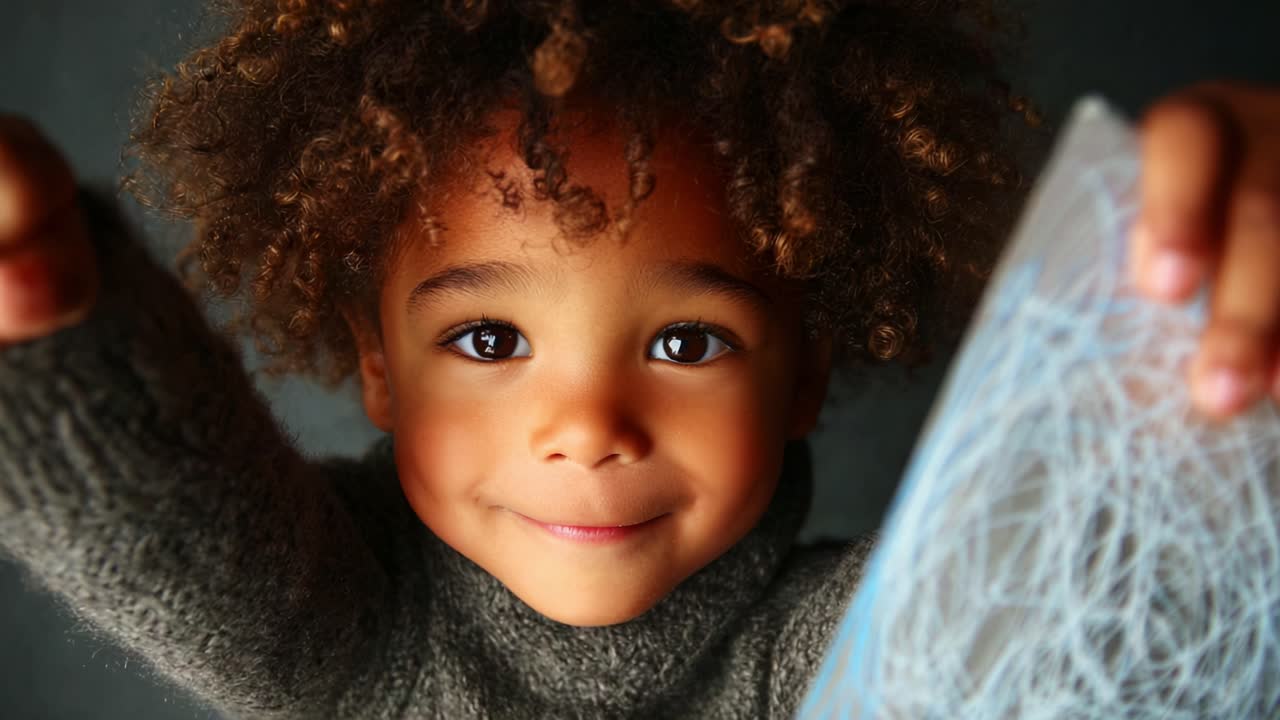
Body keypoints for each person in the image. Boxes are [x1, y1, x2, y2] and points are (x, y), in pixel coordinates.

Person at [0, 1, 1276, 718]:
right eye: (488, 340)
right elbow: (168, 519)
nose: (587, 421)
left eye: (685, 340)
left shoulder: (838, 661)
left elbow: (1060, 607)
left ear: (807, 371)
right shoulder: (348, 635)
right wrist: (38, 322)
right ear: (378, 366)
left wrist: (1192, 367)